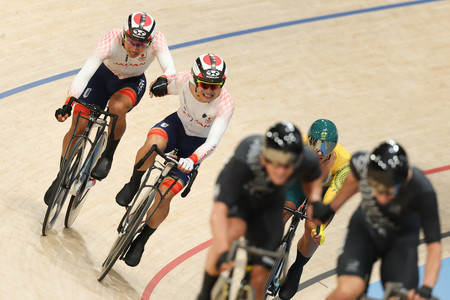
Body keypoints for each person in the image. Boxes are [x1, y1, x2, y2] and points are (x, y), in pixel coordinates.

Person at [44, 12, 176, 205]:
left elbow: (170, 68)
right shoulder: (110, 39)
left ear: (149, 42)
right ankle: (61, 173)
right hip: (101, 78)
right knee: (78, 125)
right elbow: (85, 72)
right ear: (123, 35)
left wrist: (164, 79)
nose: (135, 48)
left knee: (116, 107)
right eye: (131, 42)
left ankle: (107, 155)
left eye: (141, 45)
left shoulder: (157, 40)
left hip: (131, 83)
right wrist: (69, 102)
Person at [117, 53, 235, 267]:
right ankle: (134, 183)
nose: (209, 91)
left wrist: (193, 159)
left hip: (195, 147)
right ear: (195, 80)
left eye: (215, 86)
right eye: (205, 84)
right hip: (176, 127)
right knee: (152, 146)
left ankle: (142, 240)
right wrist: (158, 85)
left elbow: (213, 142)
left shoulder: (225, 104)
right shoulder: (183, 80)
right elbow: (164, 82)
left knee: (165, 195)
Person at [196, 122, 324, 300]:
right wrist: (223, 244)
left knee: (259, 278)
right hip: (241, 193)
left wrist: (316, 203)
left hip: (271, 202)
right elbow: (218, 212)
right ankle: (205, 293)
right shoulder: (247, 153)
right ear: (264, 156)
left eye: (287, 164)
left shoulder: (306, 159)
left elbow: (315, 182)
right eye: (276, 162)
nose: (280, 170)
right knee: (229, 234)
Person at [311, 140, 442, 300]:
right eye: (376, 188)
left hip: (400, 242)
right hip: (364, 231)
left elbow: (434, 246)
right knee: (346, 292)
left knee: (399, 297)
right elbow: (352, 180)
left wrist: (426, 289)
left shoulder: (423, 192)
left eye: (388, 192)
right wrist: (331, 208)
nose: (380, 198)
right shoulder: (362, 163)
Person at [278, 119, 351, 299]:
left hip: (325, 193)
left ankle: (297, 267)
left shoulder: (344, 162)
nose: (320, 151)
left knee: (313, 230)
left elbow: (332, 194)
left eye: (326, 146)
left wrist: (319, 226)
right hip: (299, 181)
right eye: (315, 144)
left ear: (334, 146)